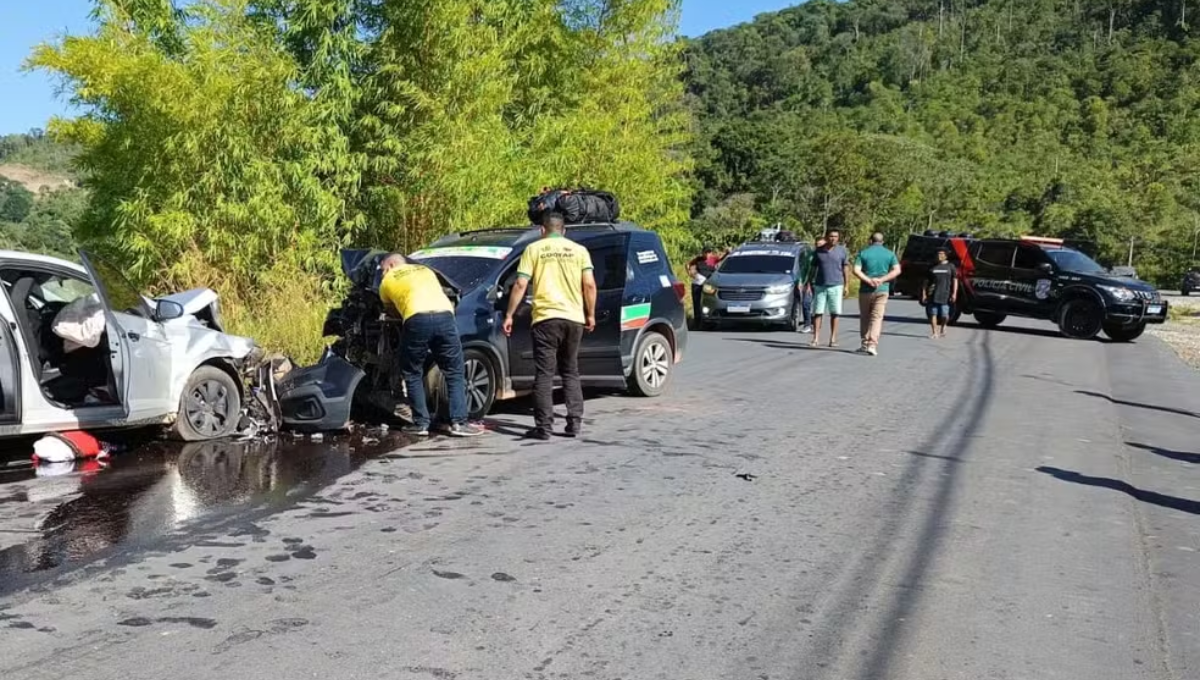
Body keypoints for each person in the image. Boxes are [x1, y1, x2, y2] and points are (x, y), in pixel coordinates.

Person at [503, 212, 597, 440]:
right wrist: (590, 314)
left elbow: (520, 283)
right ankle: (574, 423)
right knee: (570, 371)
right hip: (573, 318)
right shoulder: (579, 251)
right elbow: (589, 285)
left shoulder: (534, 249)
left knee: (544, 374)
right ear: (564, 230)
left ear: (542, 231)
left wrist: (509, 314)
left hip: (545, 318)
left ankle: (543, 427)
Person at [378, 254, 484, 437]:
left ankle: (421, 424)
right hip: (445, 316)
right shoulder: (426, 270)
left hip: (417, 319)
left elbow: (390, 309)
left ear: (392, 265)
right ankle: (459, 423)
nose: (382, 274)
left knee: (412, 372)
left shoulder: (388, 280)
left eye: (383, 269)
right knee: (454, 370)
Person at [852, 232, 902, 357]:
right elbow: (897, 270)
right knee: (877, 317)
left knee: (865, 317)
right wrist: (883, 279)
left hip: (866, 289)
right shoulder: (890, 254)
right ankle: (872, 345)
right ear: (882, 241)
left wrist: (868, 280)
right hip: (882, 289)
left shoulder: (863, 253)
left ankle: (864, 343)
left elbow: (856, 270)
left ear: (870, 241)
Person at [805, 229, 850, 347]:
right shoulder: (819, 251)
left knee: (835, 313)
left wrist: (847, 285)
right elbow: (813, 268)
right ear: (826, 237)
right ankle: (815, 338)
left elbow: (846, 268)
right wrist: (809, 282)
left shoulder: (842, 251)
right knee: (818, 312)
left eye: (835, 236)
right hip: (820, 285)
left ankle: (833, 338)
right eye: (831, 236)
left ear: (838, 238)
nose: (833, 238)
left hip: (836, 285)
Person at [921, 248, 958, 338]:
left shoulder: (951, 266)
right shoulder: (932, 267)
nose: (939, 256)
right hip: (933, 294)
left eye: (941, 254)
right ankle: (935, 333)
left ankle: (943, 325)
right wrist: (924, 294)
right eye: (938, 254)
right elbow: (925, 283)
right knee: (933, 314)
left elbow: (955, 280)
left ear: (945, 255)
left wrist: (954, 293)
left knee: (945, 315)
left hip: (945, 294)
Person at [687, 246, 718, 324]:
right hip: (697, 284)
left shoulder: (713, 259)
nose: (707, 254)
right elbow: (688, 264)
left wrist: (727, 252)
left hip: (708, 285)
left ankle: (709, 320)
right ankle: (697, 321)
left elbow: (722, 259)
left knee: (708, 302)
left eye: (709, 252)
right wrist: (690, 273)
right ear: (703, 253)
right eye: (706, 252)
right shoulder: (698, 259)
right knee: (697, 303)